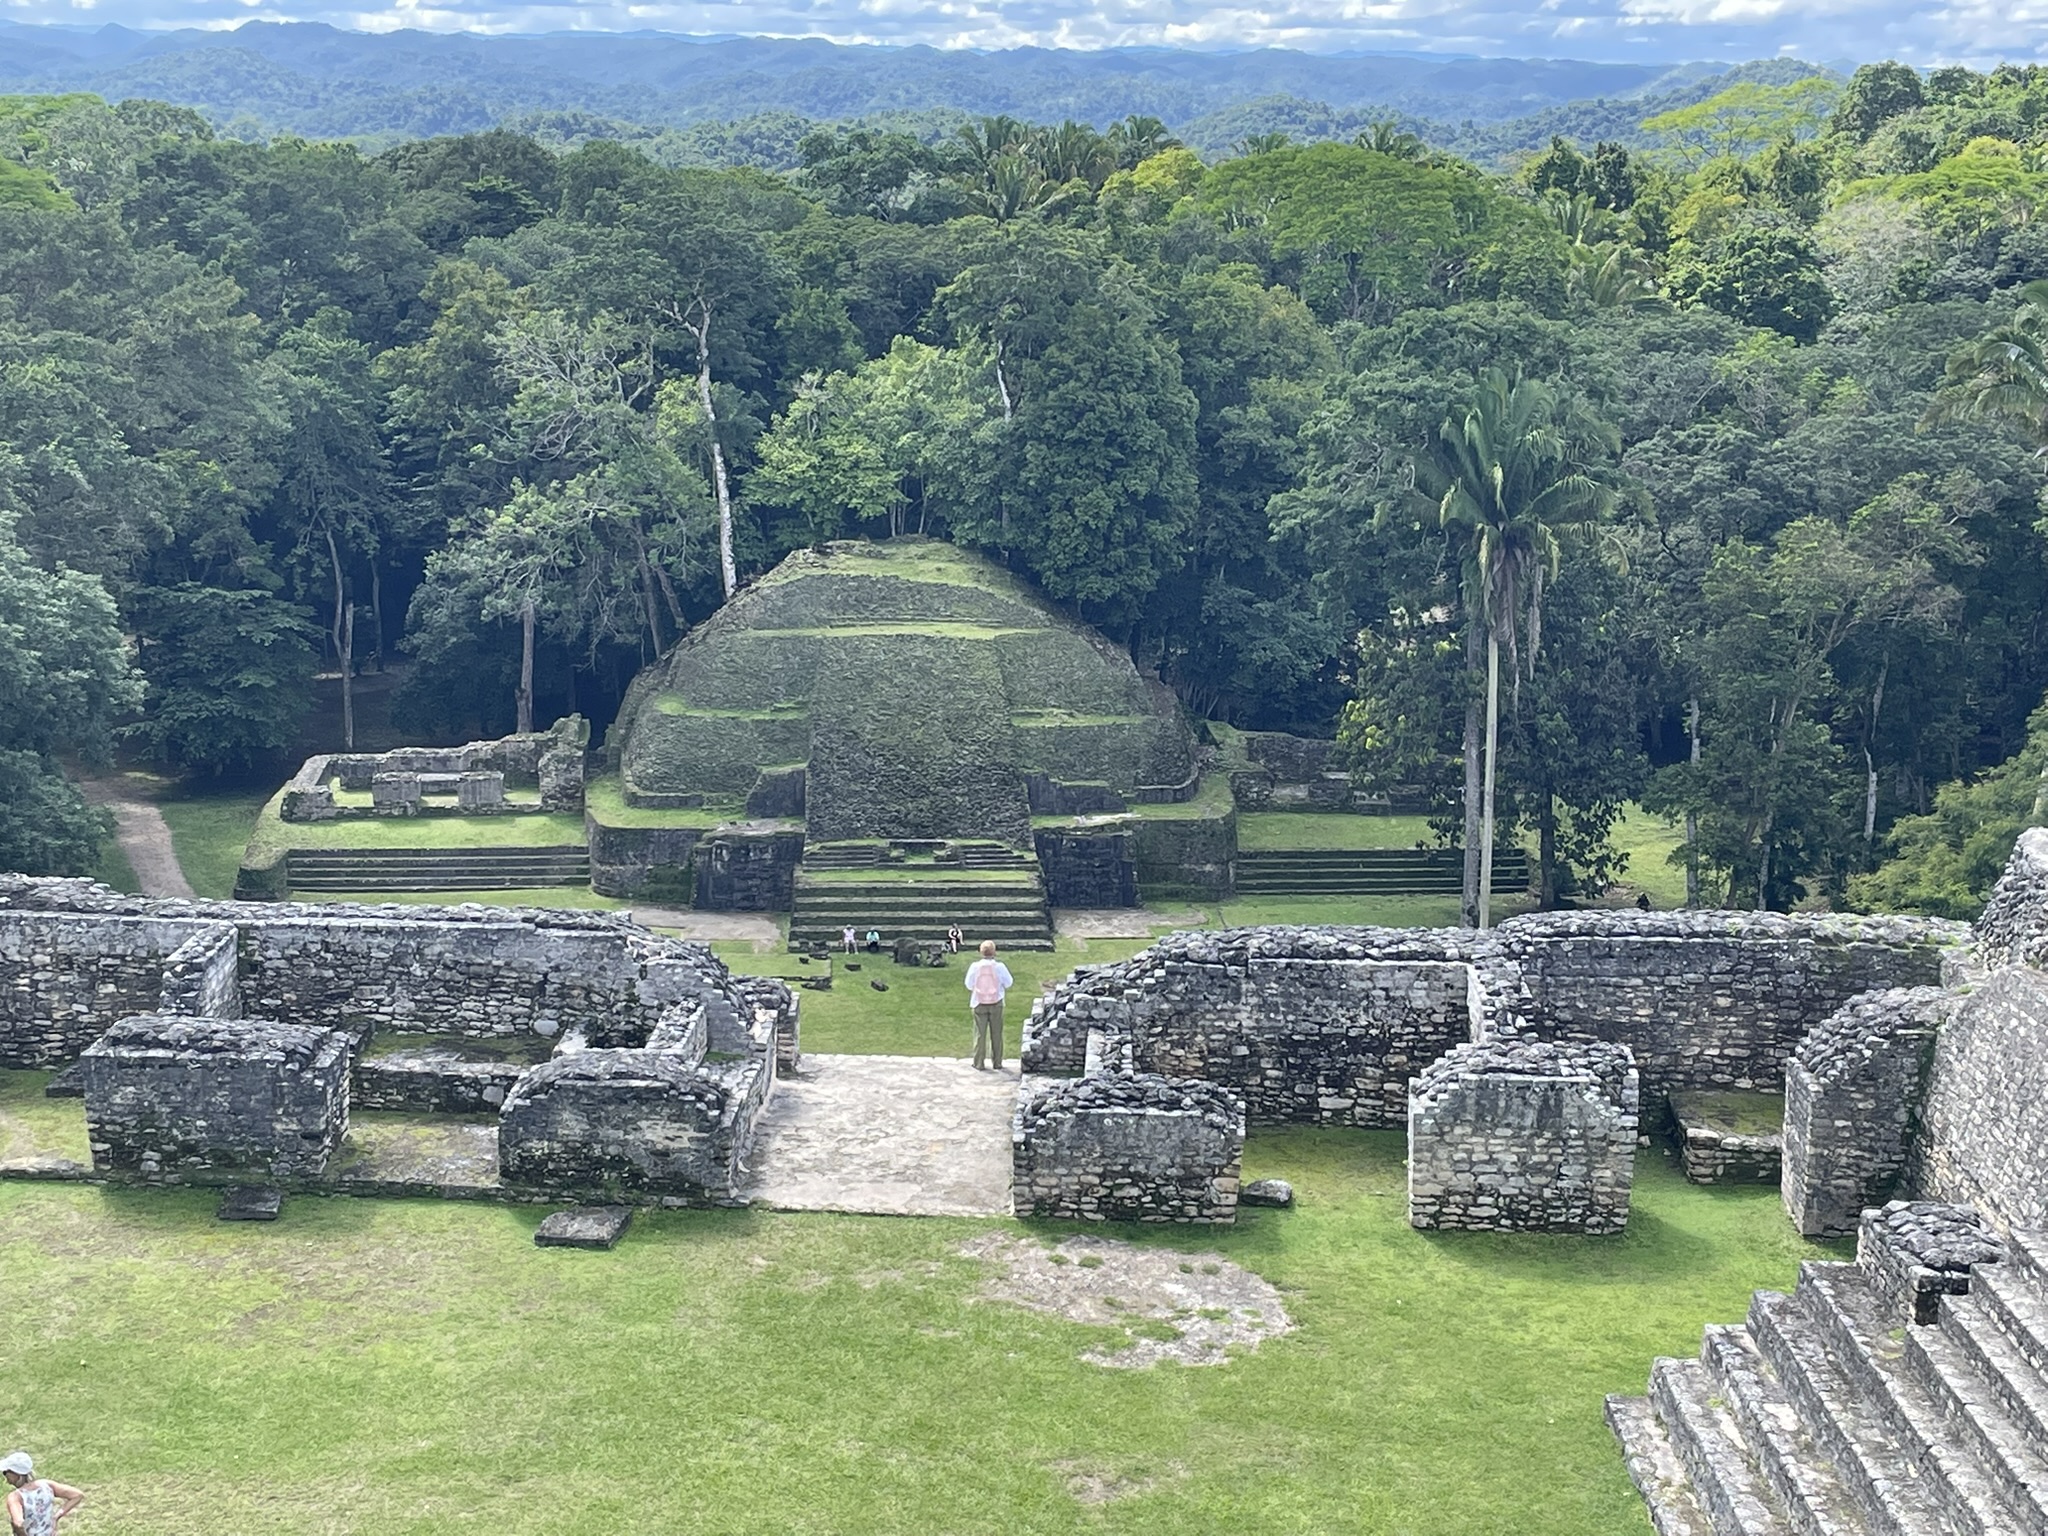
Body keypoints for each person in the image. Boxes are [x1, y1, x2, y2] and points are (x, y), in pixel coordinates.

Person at [2, 1453, 83, 1536]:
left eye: (5, 1472)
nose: (4, 1476)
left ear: (16, 1473)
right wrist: (56, 1517)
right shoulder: (46, 1485)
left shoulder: (15, 1497)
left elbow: (18, 1524)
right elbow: (77, 1495)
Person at [964, 940, 1014, 1071]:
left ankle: (978, 1062)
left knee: (979, 1034)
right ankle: (997, 1062)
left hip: (979, 1002)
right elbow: (1009, 983)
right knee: (997, 1034)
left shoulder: (975, 967)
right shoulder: (999, 967)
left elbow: (969, 984)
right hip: (996, 1002)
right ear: (994, 952)